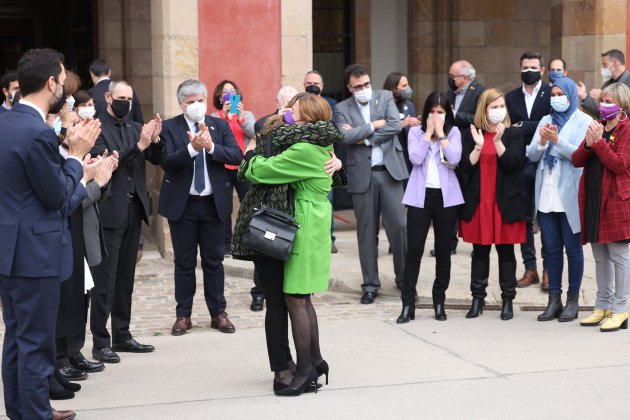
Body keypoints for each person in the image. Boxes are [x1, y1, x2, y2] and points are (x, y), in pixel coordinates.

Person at [0, 47, 100, 420]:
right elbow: (57, 197)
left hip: (11, 248)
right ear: (49, 83)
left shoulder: (6, 122)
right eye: (61, 80)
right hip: (35, 252)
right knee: (35, 342)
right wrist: (77, 159)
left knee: (17, 337)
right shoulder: (36, 133)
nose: (64, 88)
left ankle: (27, 408)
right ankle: (34, 414)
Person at [241, 92, 344, 396]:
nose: (287, 114)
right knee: (303, 298)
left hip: (305, 221)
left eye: (294, 112)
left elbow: (261, 171)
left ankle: (304, 371)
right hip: (314, 219)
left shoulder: (304, 149)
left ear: (308, 118)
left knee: (295, 300)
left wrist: (249, 156)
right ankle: (315, 359)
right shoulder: (321, 142)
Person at [159, 79, 242, 336]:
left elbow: (236, 155)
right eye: (190, 101)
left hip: (212, 204)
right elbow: (167, 161)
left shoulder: (219, 125)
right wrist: (192, 149)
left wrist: (211, 147)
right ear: (181, 104)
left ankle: (218, 313)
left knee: (214, 262)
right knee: (184, 262)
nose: (196, 105)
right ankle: (183, 315)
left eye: (200, 100)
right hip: (182, 206)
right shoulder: (170, 127)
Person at [89, 80, 164, 363]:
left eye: (129, 99)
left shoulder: (135, 128)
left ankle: (122, 333)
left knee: (125, 279)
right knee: (105, 280)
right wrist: (141, 144)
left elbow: (157, 158)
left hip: (135, 211)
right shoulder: (98, 129)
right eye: (121, 97)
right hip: (110, 212)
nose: (126, 103)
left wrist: (155, 139)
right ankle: (100, 340)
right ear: (108, 97)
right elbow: (110, 163)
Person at [335, 63, 408, 304]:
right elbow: (344, 136)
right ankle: (370, 284)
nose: (365, 89)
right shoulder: (342, 108)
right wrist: (373, 125)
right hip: (362, 176)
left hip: (390, 172)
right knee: (366, 232)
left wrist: (365, 139)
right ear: (350, 88)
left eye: (367, 84)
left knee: (399, 226)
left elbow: (395, 126)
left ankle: (404, 278)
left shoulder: (385, 96)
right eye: (359, 86)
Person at [526, 77, 591, 322]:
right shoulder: (546, 119)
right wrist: (542, 141)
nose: (556, 98)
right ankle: (554, 300)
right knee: (551, 250)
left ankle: (573, 301)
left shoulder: (584, 121)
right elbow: (531, 155)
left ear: (571, 95)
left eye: (560, 93)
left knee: (573, 250)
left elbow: (580, 155)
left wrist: (557, 141)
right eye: (553, 93)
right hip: (546, 193)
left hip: (570, 193)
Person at [459, 88, 526, 321]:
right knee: (479, 251)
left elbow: (514, 164)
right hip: (480, 203)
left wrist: (498, 142)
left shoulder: (513, 134)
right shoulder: (471, 134)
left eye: (501, 106)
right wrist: (478, 146)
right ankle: (477, 298)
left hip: (503, 204)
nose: (499, 111)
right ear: (484, 110)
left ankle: (507, 300)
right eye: (494, 107)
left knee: (506, 251)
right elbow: (464, 168)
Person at [396, 92, 463, 324]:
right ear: (425, 113)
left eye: (441, 112)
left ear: (447, 114)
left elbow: (455, 158)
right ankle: (407, 304)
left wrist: (441, 134)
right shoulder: (415, 132)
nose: (436, 117)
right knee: (414, 250)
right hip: (419, 198)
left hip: (446, 199)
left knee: (443, 252)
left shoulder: (453, 132)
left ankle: (439, 301)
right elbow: (415, 158)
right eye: (432, 112)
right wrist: (427, 134)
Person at [572, 82, 630, 332]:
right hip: (594, 199)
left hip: (616, 201)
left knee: (619, 257)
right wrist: (589, 142)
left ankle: (621, 308)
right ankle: (602, 305)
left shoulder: (627, 129)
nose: (604, 106)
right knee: (600, 258)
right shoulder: (598, 127)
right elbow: (576, 160)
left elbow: (619, 164)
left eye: (609, 102)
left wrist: (598, 144)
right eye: (602, 101)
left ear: (622, 106)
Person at [246, 86, 300, 313]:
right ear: (277, 103)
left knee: (287, 246)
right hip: (268, 198)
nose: (287, 108)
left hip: (293, 198)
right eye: (284, 103)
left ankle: (291, 288)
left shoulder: (302, 130)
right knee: (265, 244)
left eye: (292, 104)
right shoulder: (264, 125)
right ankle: (259, 293)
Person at [505, 51, 551, 290]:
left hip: (547, 162)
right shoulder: (511, 97)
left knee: (546, 217)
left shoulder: (552, 94)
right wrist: (534, 127)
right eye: (525, 67)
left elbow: (551, 123)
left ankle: (548, 271)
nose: (529, 71)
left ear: (541, 69)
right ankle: (530, 268)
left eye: (533, 67)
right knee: (525, 218)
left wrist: (524, 126)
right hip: (520, 163)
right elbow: (508, 129)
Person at [439, 60, 486, 257]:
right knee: (449, 199)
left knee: (471, 199)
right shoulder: (450, 94)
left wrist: (457, 115)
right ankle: (449, 243)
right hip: (451, 151)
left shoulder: (480, 91)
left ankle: (476, 244)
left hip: (471, 151)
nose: (450, 80)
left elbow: (480, 118)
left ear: (465, 77)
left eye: (453, 77)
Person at [209, 80, 256, 255]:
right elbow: (213, 140)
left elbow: (254, 133)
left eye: (232, 91)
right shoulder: (214, 118)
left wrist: (241, 118)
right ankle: (226, 244)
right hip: (222, 167)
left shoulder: (247, 115)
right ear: (220, 98)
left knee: (249, 203)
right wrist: (225, 117)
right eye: (225, 92)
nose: (229, 94)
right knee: (224, 206)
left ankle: (249, 241)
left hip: (242, 166)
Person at [304, 71, 340, 253]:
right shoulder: (299, 103)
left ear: (322, 86)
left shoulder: (331, 104)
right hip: (304, 159)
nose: (312, 85)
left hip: (325, 160)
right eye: (309, 82)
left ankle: (329, 238)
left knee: (328, 201)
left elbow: (334, 128)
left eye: (315, 82)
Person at [382, 71, 420, 174]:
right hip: (390, 155)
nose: (408, 88)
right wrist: (401, 125)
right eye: (404, 85)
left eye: (408, 84)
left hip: (406, 154)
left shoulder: (409, 105)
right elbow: (380, 131)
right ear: (394, 88)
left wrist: (416, 124)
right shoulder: (383, 106)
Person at [578, 49, 630, 119]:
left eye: (605, 64)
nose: (603, 67)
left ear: (614, 63)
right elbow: (601, 115)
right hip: (608, 128)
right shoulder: (606, 84)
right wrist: (585, 97)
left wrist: (610, 99)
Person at [89, 58, 144, 123]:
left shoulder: (90, 94)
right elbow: (139, 119)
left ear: (92, 74)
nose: (126, 99)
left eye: (128, 99)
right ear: (109, 72)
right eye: (121, 98)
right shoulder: (127, 90)